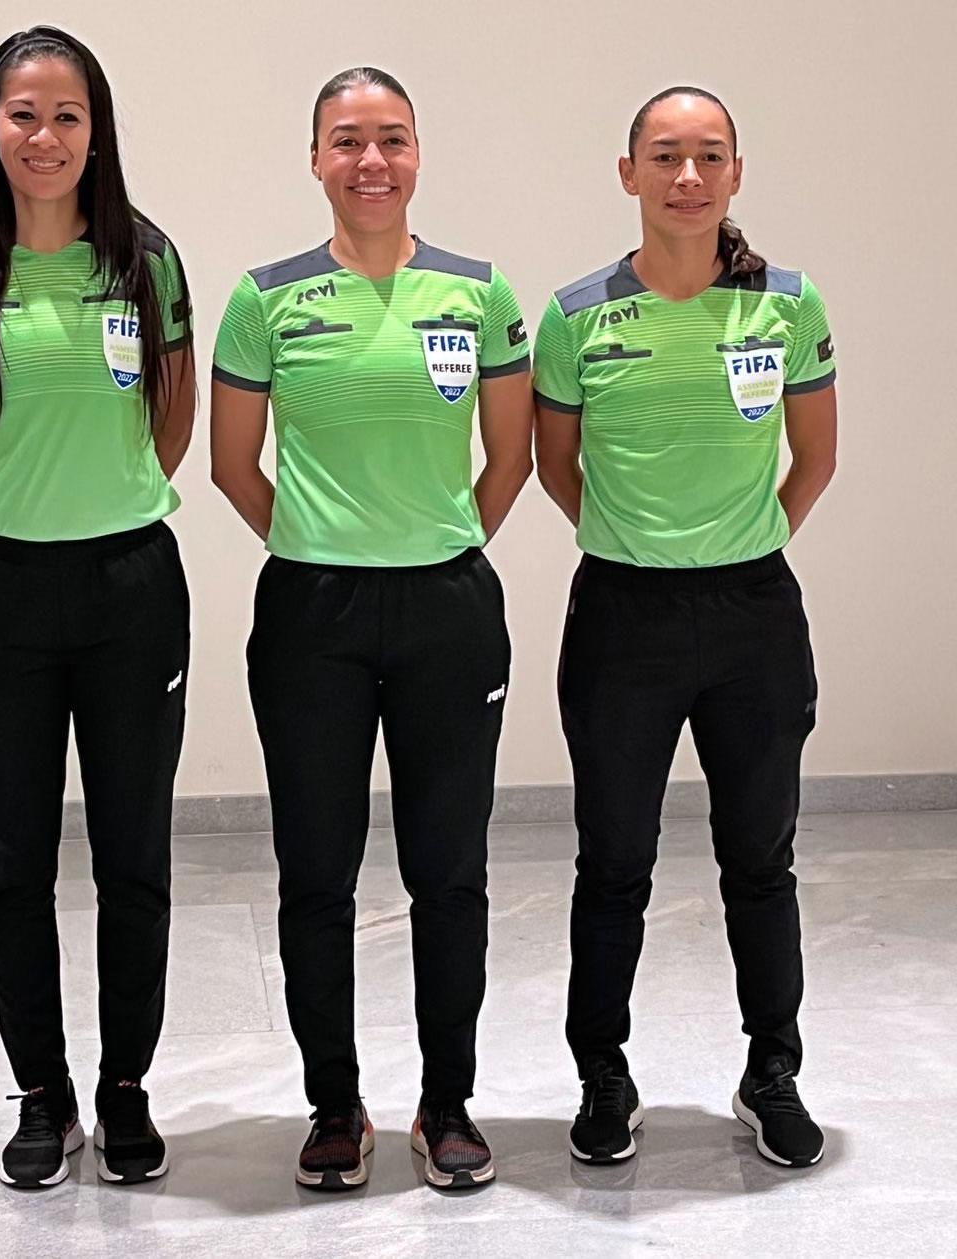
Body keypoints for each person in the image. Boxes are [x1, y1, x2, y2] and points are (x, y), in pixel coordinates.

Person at [210, 67, 533, 1190]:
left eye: (391, 138)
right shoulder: (266, 297)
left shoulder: (478, 292)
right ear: (315, 160)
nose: (371, 161)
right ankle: (335, 1104)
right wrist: (319, 540)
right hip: (312, 613)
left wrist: (436, 541)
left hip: (448, 608)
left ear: (418, 154)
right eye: (347, 140)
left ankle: (448, 1102)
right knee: (317, 873)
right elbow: (231, 463)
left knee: (450, 868)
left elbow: (511, 460)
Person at [0, 26, 194, 1189]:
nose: (46, 136)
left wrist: (97, 506)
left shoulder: (147, 262)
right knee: (14, 858)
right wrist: (4, 512)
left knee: (134, 856)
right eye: (24, 114)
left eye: (68, 116)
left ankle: (123, 1087)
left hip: (130, 590)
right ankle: (43, 1089)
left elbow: (170, 425)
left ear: (97, 130)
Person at [533, 85, 837, 1170]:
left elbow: (815, 459)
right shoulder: (576, 315)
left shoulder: (786, 307)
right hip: (622, 616)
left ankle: (773, 1069)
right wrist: (644, 545)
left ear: (737, 174)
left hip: (755, 614)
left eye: (710, 156)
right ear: (629, 175)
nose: (688, 177)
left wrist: (737, 543)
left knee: (762, 858)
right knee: (614, 861)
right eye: (665, 156)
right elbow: (554, 466)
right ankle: (604, 1075)